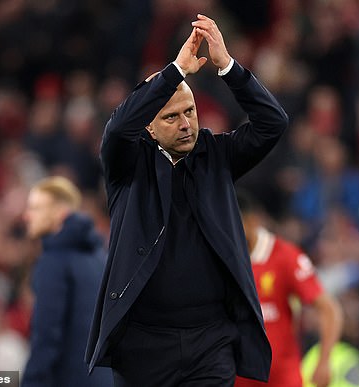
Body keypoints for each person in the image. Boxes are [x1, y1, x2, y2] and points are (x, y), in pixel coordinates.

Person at [86, 14, 289, 387]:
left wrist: (227, 67)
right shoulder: (128, 165)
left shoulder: (217, 154)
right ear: (149, 125)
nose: (186, 124)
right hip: (143, 347)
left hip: (210, 343)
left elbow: (272, 123)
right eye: (172, 117)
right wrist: (175, 70)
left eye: (190, 112)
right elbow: (116, 129)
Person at [235, 190, 343, 387]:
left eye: (234, 223)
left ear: (252, 221)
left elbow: (329, 309)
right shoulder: (224, 257)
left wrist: (324, 360)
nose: (229, 230)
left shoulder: (285, 256)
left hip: (282, 379)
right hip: (238, 378)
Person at [22, 176, 113, 387]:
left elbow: (46, 336)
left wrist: (31, 381)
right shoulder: (101, 257)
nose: (27, 216)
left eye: (36, 208)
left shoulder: (54, 262)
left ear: (59, 213)